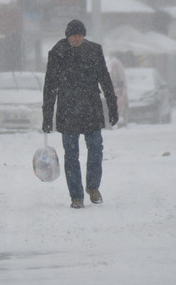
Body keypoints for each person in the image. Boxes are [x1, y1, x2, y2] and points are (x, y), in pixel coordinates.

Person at [42, 20, 119, 209]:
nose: (77, 38)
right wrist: (47, 115)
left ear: (84, 35)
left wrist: (112, 105)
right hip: (68, 110)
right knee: (71, 155)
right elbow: (50, 86)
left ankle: (93, 187)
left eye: (80, 35)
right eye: (74, 35)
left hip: (91, 108)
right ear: (68, 36)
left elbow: (105, 79)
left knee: (95, 149)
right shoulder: (57, 52)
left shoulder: (94, 50)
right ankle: (76, 196)